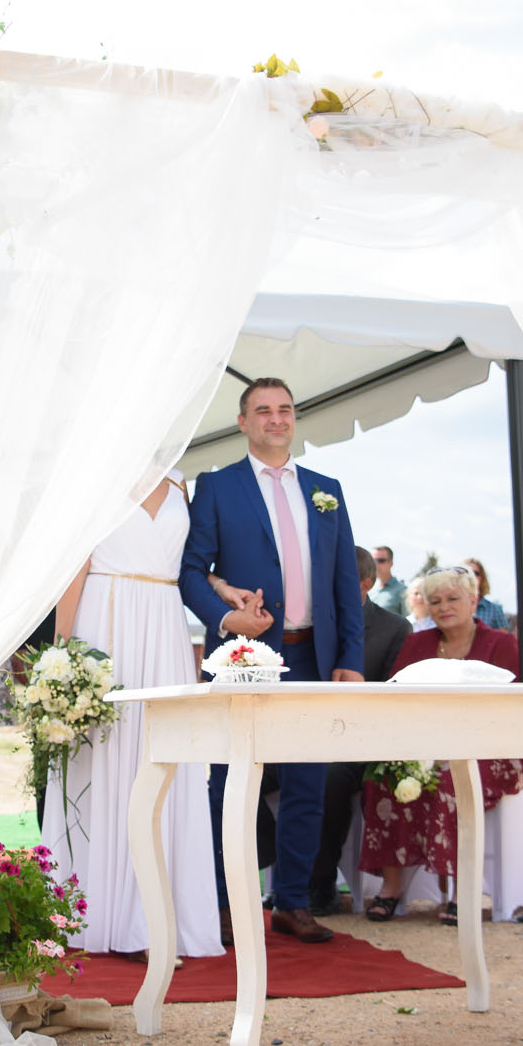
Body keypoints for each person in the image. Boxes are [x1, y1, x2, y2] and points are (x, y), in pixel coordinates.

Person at [178, 378, 365, 945]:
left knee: (309, 784)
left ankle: (292, 901)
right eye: (263, 410)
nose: (276, 418)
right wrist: (225, 619)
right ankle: (224, 904)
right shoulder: (216, 486)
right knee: (232, 784)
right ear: (243, 422)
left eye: (284, 409)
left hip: (314, 654)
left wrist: (351, 656)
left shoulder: (327, 490)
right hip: (244, 655)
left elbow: (344, 583)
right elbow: (191, 571)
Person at [40, 474, 225, 961]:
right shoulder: (96, 474)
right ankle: (96, 912)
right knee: (109, 757)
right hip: (107, 621)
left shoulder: (180, 484)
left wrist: (220, 586)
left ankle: (157, 916)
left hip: (165, 624)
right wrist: (61, 652)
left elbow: (187, 564)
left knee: (164, 758)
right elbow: (74, 565)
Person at [357, 566, 522, 923]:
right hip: (424, 742)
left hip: (486, 747)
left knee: (451, 781)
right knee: (383, 777)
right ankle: (391, 886)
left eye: (452, 598)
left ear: (473, 600)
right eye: (435, 601)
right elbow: (397, 695)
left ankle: (462, 891)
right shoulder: (416, 644)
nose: (443, 607)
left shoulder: (500, 643)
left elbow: (511, 707)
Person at [305, 545, 413, 914]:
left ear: (365, 583)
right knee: (236, 770)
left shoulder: (394, 628)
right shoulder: (304, 622)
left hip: (358, 741)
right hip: (300, 733)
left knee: (329, 776)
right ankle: (278, 865)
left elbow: (392, 698)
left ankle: (320, 882)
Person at [463, 557, 508, 631]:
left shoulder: (495, 609)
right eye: (467, 573)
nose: (470, 577)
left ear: (481, 578)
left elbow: (503, 637)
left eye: (474, 573)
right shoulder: (452, 608)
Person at [366, 545, 409, 617]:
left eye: (381, 561)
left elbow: (409, 620)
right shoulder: (368, 589)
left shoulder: (403, 591)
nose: (376, 564)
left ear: (391, 563)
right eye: (373, 561)